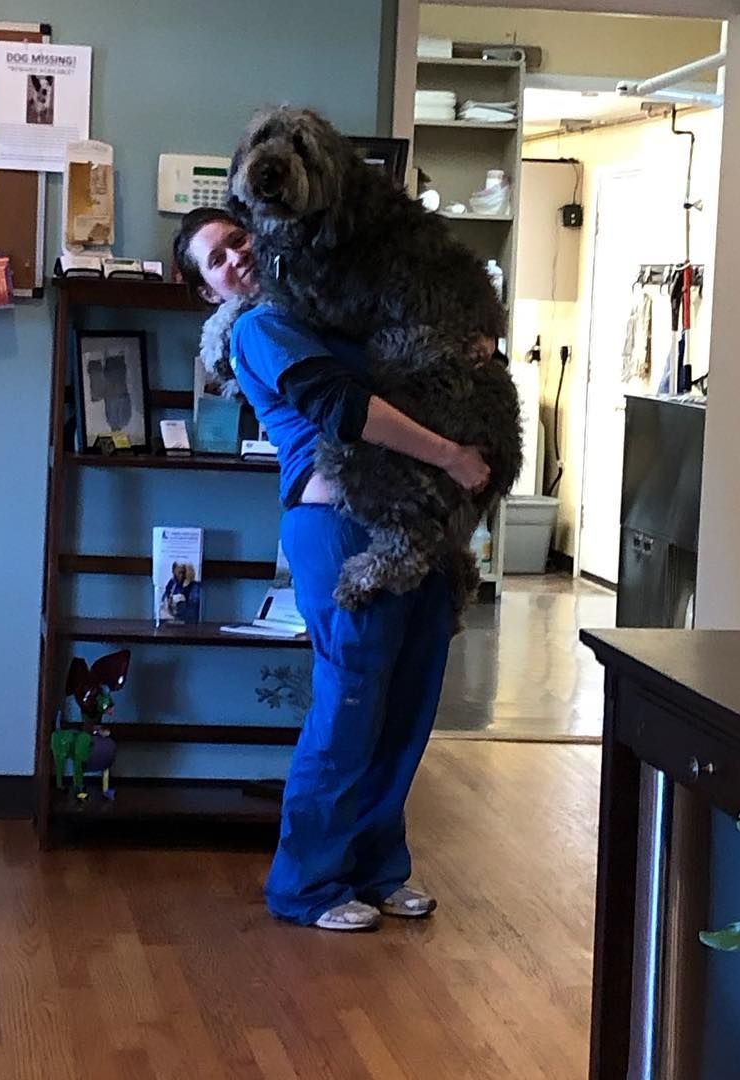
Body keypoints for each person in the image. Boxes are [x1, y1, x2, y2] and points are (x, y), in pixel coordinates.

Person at [174, 207, 490, 932]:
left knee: (406, 706)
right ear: (207, 290)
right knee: (350, 704)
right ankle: (305, 885)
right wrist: (450, 456)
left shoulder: (322, 309)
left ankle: (378, 872)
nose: (237, 258)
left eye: (239, 239)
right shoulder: (258, 327)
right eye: (217, 259)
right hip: (340, 527)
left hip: (413, 525)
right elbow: (343, 409)